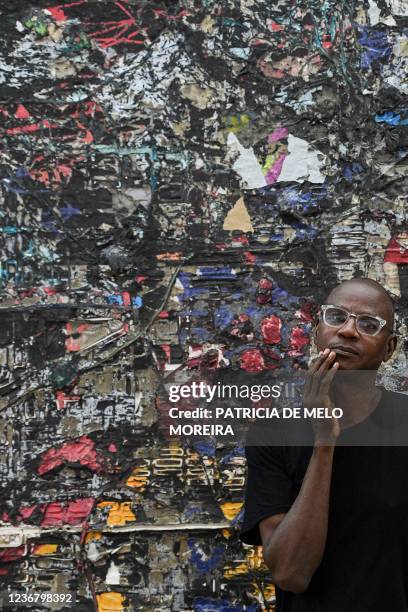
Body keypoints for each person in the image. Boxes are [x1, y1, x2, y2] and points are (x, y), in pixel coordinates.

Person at [240, 277, 408, 611]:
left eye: (368, 324)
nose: (348, 331)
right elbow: (290, 573)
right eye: (336, 317)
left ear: (390, 347)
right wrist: (325, 441)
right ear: (317, 331)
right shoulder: (272, 435)